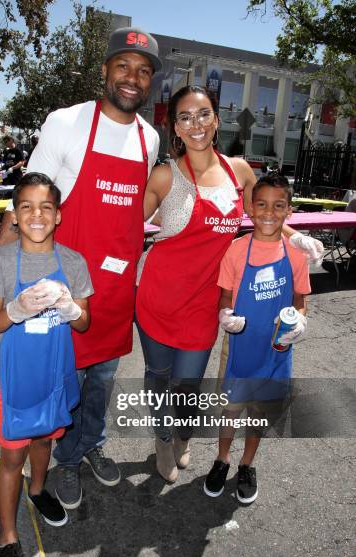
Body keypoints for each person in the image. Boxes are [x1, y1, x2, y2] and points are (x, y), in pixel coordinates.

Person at [0, 27, 161, 508]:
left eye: (143, 71)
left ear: (150, 84)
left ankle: (91, 444)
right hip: (62, 290)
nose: (132, 78)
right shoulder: (66, 123)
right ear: (104, 71)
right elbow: (25, 199)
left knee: (102, 381)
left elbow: (141, 210)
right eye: (123, 66)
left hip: (116, 288)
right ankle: (64, 460)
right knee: (63, 381)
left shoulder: (150, 138)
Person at [135, 86, 322, 484]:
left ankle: (182, 434)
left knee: (188, 382)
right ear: (176, 128)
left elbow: (266, 216)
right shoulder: (165, 174)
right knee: (158, 377)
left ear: (216, 120)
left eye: (203, 114)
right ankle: (164, 439)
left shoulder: (239, 171)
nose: (196, 124)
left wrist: (296, 237)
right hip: (158, 297)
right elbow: (126, 228)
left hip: (207, 303)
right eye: (185, 117)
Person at [0, 172, 93, 557]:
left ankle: (40, 489)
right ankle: (6, 539)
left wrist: (68, 307)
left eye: (46, 206)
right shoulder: (3, 261)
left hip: (56, 375)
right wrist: (15, 308)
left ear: (58, 215)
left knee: (45, 440)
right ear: (16, 213)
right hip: (14, 380)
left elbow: (85, 324)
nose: (37, 215)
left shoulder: (75, 263)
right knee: (13, 458)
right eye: (26, 206)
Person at [203, 174, 311, 504]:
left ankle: (247, 464)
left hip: (276, 351)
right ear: (250, 209)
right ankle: (222, 458)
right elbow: (225, 297)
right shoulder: (236, 251)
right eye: (261, 204)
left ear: (289, 211)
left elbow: (300, 300)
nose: (269, 212)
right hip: (238, 347)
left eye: (278, 206)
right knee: (232, 408)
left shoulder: (296, 256)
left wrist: (300, 322)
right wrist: (226, 316)